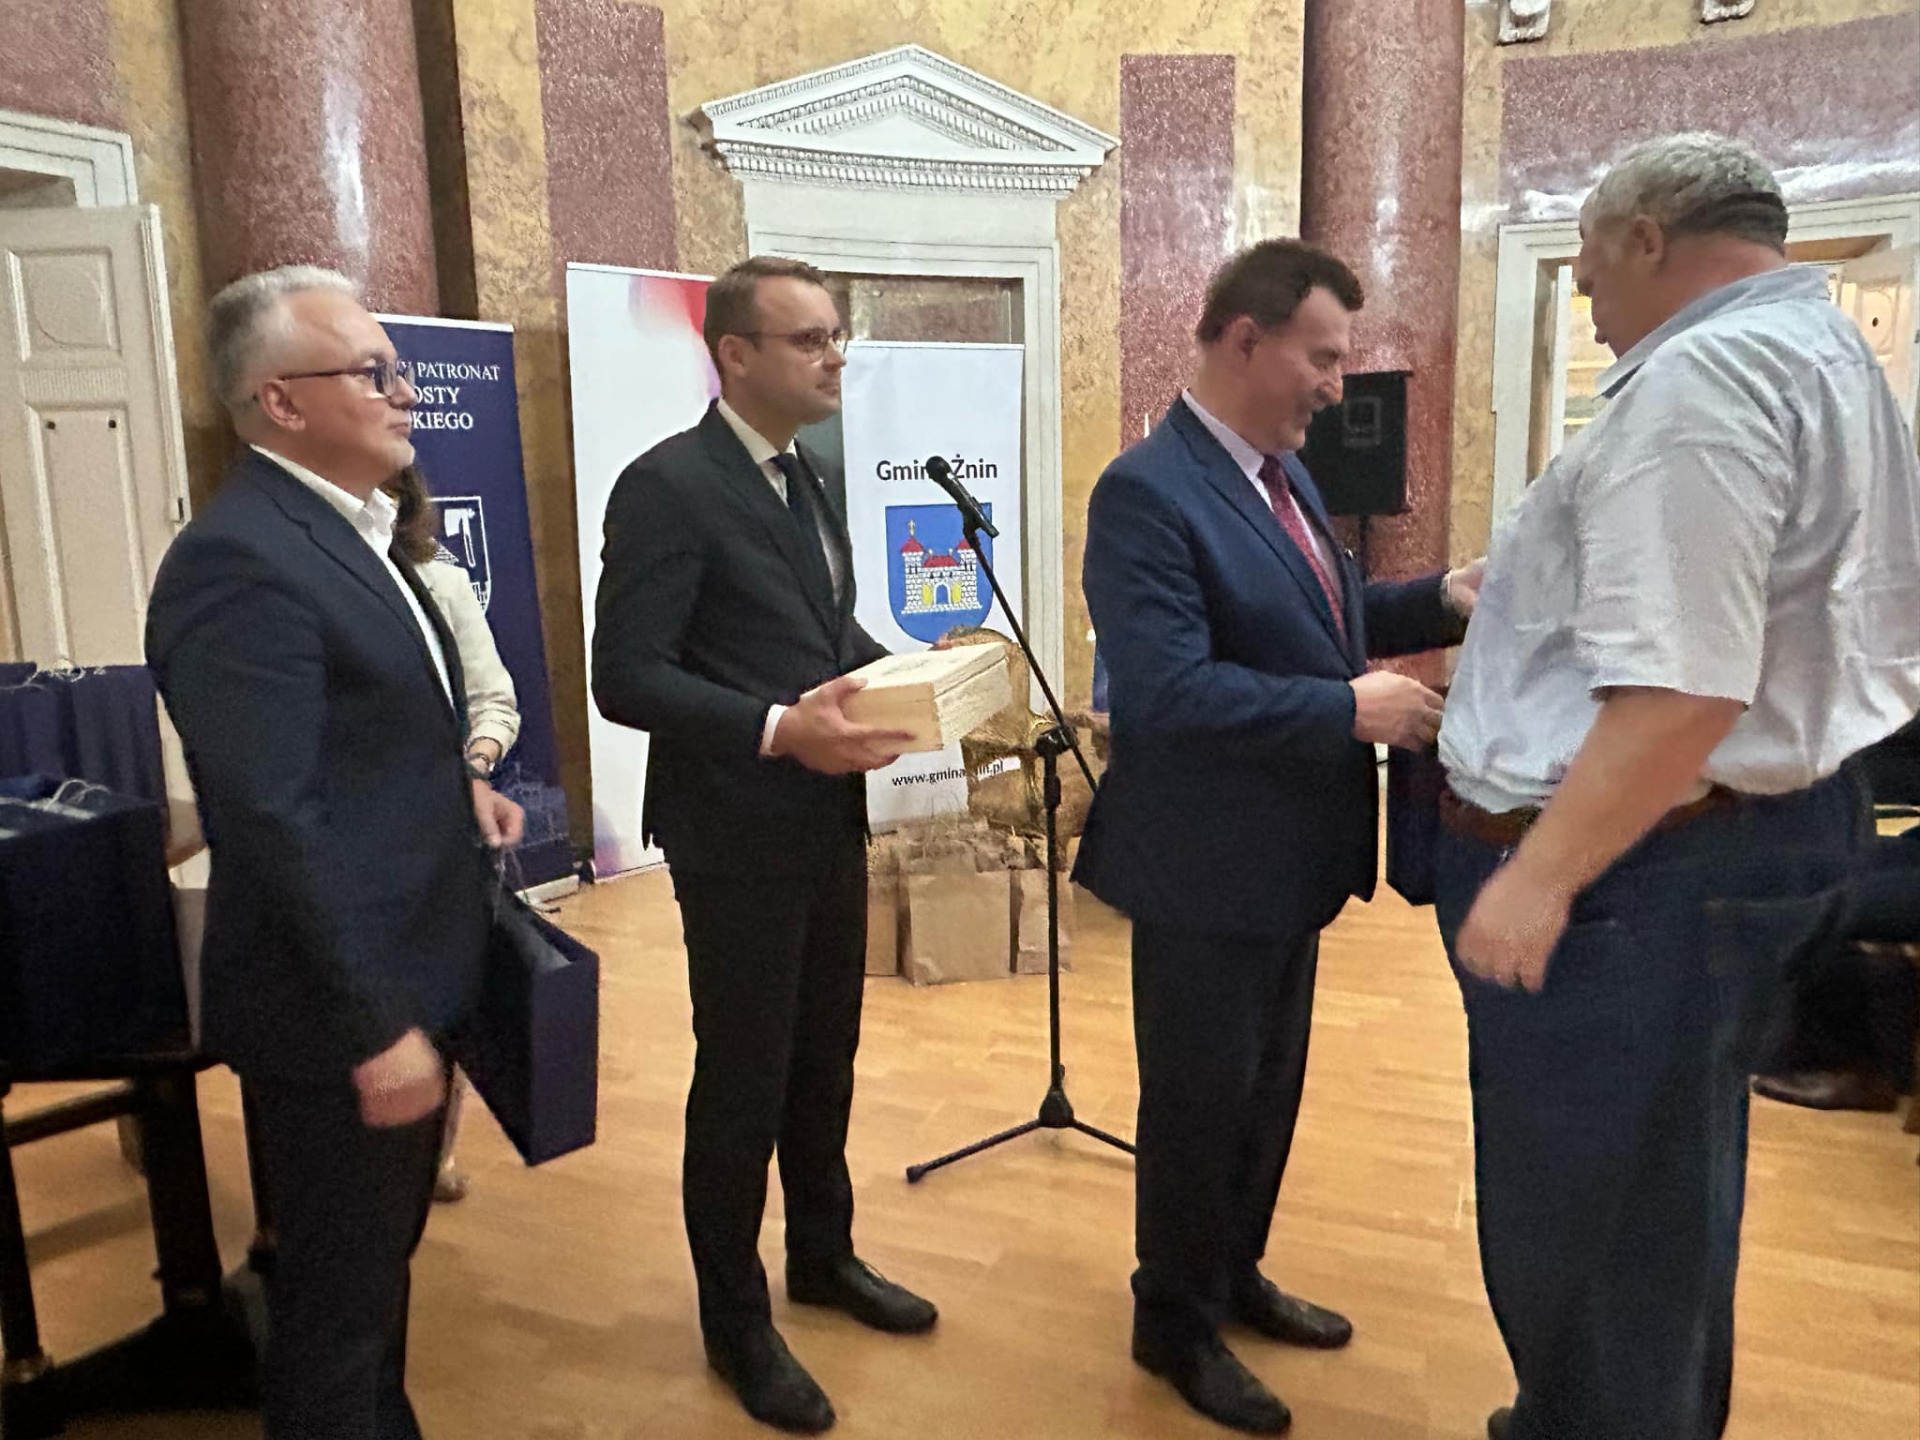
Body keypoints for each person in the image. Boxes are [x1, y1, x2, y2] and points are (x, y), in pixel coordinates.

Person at [1435, 133, 1920, 1440]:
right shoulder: (1828, 350)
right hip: (1741, 841)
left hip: (1640, 873)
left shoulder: (1699, 383)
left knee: (1586, 1225)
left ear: (1649, 236)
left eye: (1592, 260)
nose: (1588, 292)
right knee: (1663, 1203)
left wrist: (1541, 877)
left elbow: (1684, 692)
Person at [1072, 238, 1478, 1436]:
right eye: (1324, 357)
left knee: (1265, 1096)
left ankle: (1230, 1273)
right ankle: (1172, 1323)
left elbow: (1318, 621)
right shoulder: (1146, 493)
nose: (1337, 387)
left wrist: (1437, 599)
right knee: (1198, 1107)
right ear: (1246, 340)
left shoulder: (1280, 473)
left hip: (1288, 862)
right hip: (1201, 868)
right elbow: (1166, 695)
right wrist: (1349, 708)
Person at [146, 265, 524, 1440]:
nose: (407, 393)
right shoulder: (240, 558)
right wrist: (373, 1025)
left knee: (373, 1285)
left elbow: (356, 746)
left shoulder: (358, 538)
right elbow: (270, 815)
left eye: (398, 369)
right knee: (335, 1312)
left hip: (406, 965)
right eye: (374, 373)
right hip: (336, 1011)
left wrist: (454, 787)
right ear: (279, 402)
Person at [592, 256, 933, 1435]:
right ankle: (735, 1321)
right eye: (809, 339)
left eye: (838, 334)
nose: (837, 356)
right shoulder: (668, 487)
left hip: (824, 819)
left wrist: (915, 672)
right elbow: (625, 675)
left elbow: (819, 630)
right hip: (733, 830)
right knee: (744, 1079)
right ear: (734, 354)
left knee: (823, 1058)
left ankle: (822, 1258)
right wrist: (782, 727)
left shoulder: (806, 473)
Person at [389, 464, 524, 1201]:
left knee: (444, 1006)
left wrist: (474, 768)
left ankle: (432, 1155)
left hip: (443, 836)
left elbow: (494, 701)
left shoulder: (438, 581)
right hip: (359, 841)